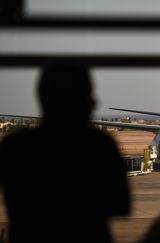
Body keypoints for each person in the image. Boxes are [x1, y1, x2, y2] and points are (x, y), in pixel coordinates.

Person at [0, 63, 130, 243]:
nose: (94, 102)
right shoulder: (99, 145)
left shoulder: (14, 146)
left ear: (42, 98)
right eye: (88, 94)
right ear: (83, 101)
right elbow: (122, 205)